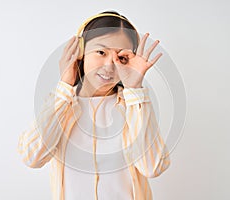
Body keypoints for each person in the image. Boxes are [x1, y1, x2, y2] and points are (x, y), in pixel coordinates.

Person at [17, 10, 170, 200]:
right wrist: (65, 87)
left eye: (121, 57)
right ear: (80, 52)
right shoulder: (62, 104)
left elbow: (152, 168)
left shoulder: (134, 106)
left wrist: (135, 89)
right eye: (101, 52)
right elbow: (32, 157)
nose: (110, 65)